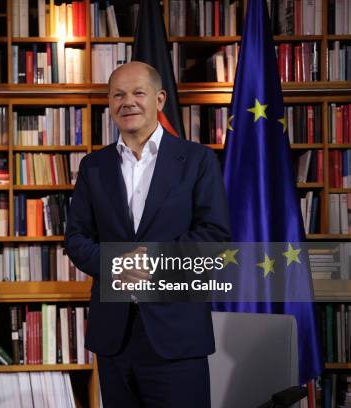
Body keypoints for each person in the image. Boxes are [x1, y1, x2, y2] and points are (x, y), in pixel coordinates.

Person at [64, 61, 231, 407]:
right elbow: (76, 238)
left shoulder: (198, 160)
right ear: (109, 104)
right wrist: (114, 264)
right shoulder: (93, 167)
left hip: (177, 335)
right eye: (118, 95)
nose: (128, 102)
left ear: (159, 99)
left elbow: (214, 235)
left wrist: (153, 261)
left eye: (138, 92)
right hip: (115, 337)